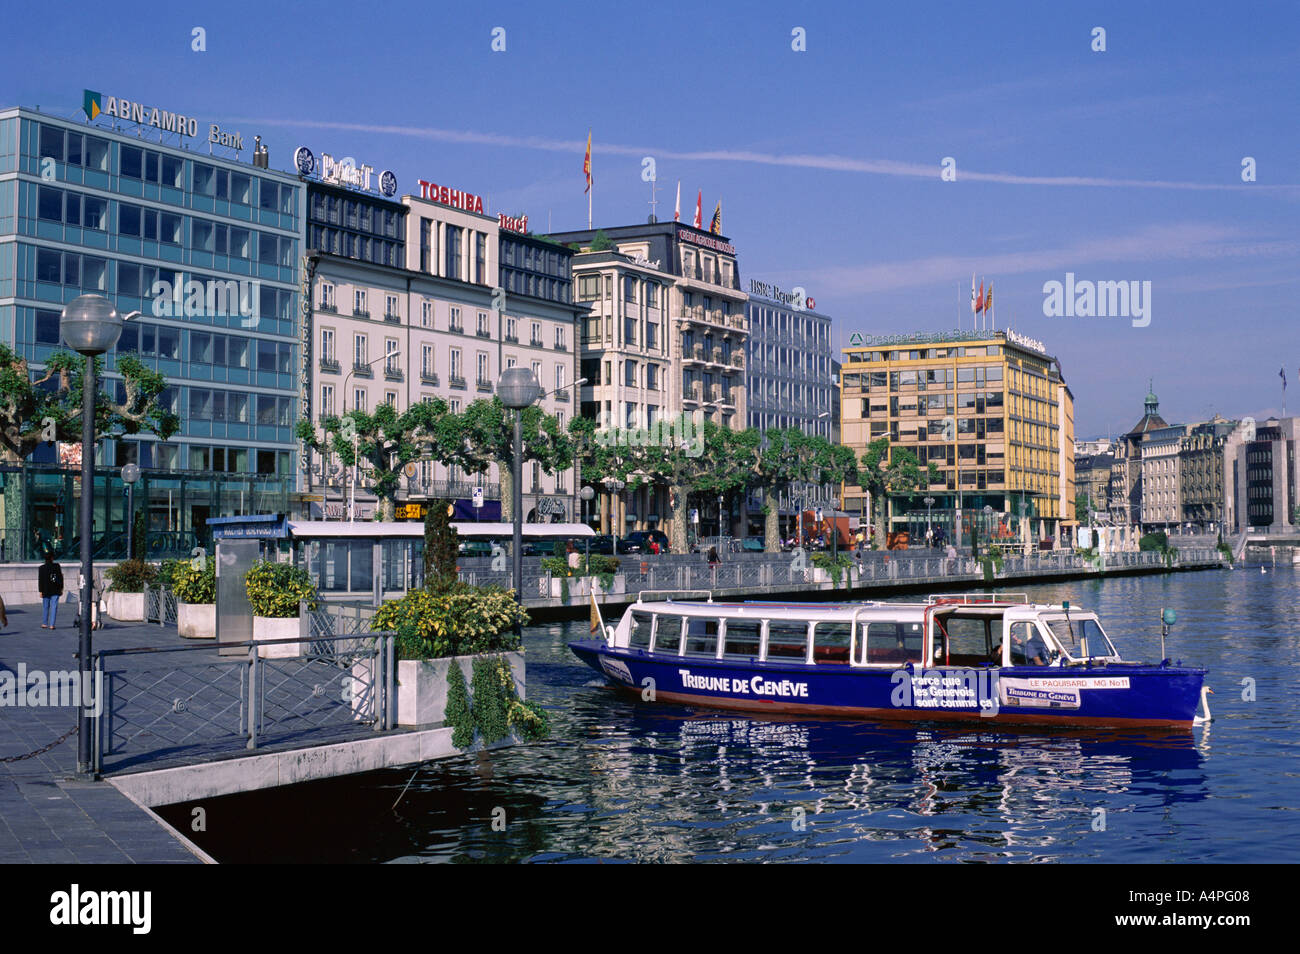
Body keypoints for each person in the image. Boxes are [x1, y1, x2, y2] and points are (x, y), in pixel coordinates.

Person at [38, 552, 63, 629]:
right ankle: (52, 625)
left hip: (45, 590)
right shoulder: (57, 566)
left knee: (45, 607)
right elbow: (60, 578)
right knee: (54, 607)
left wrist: (40, 591)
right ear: (52, 558)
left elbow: (40, 580)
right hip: (55, 589)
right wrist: (61, 588)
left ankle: (44, 623)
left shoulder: (41, 568)